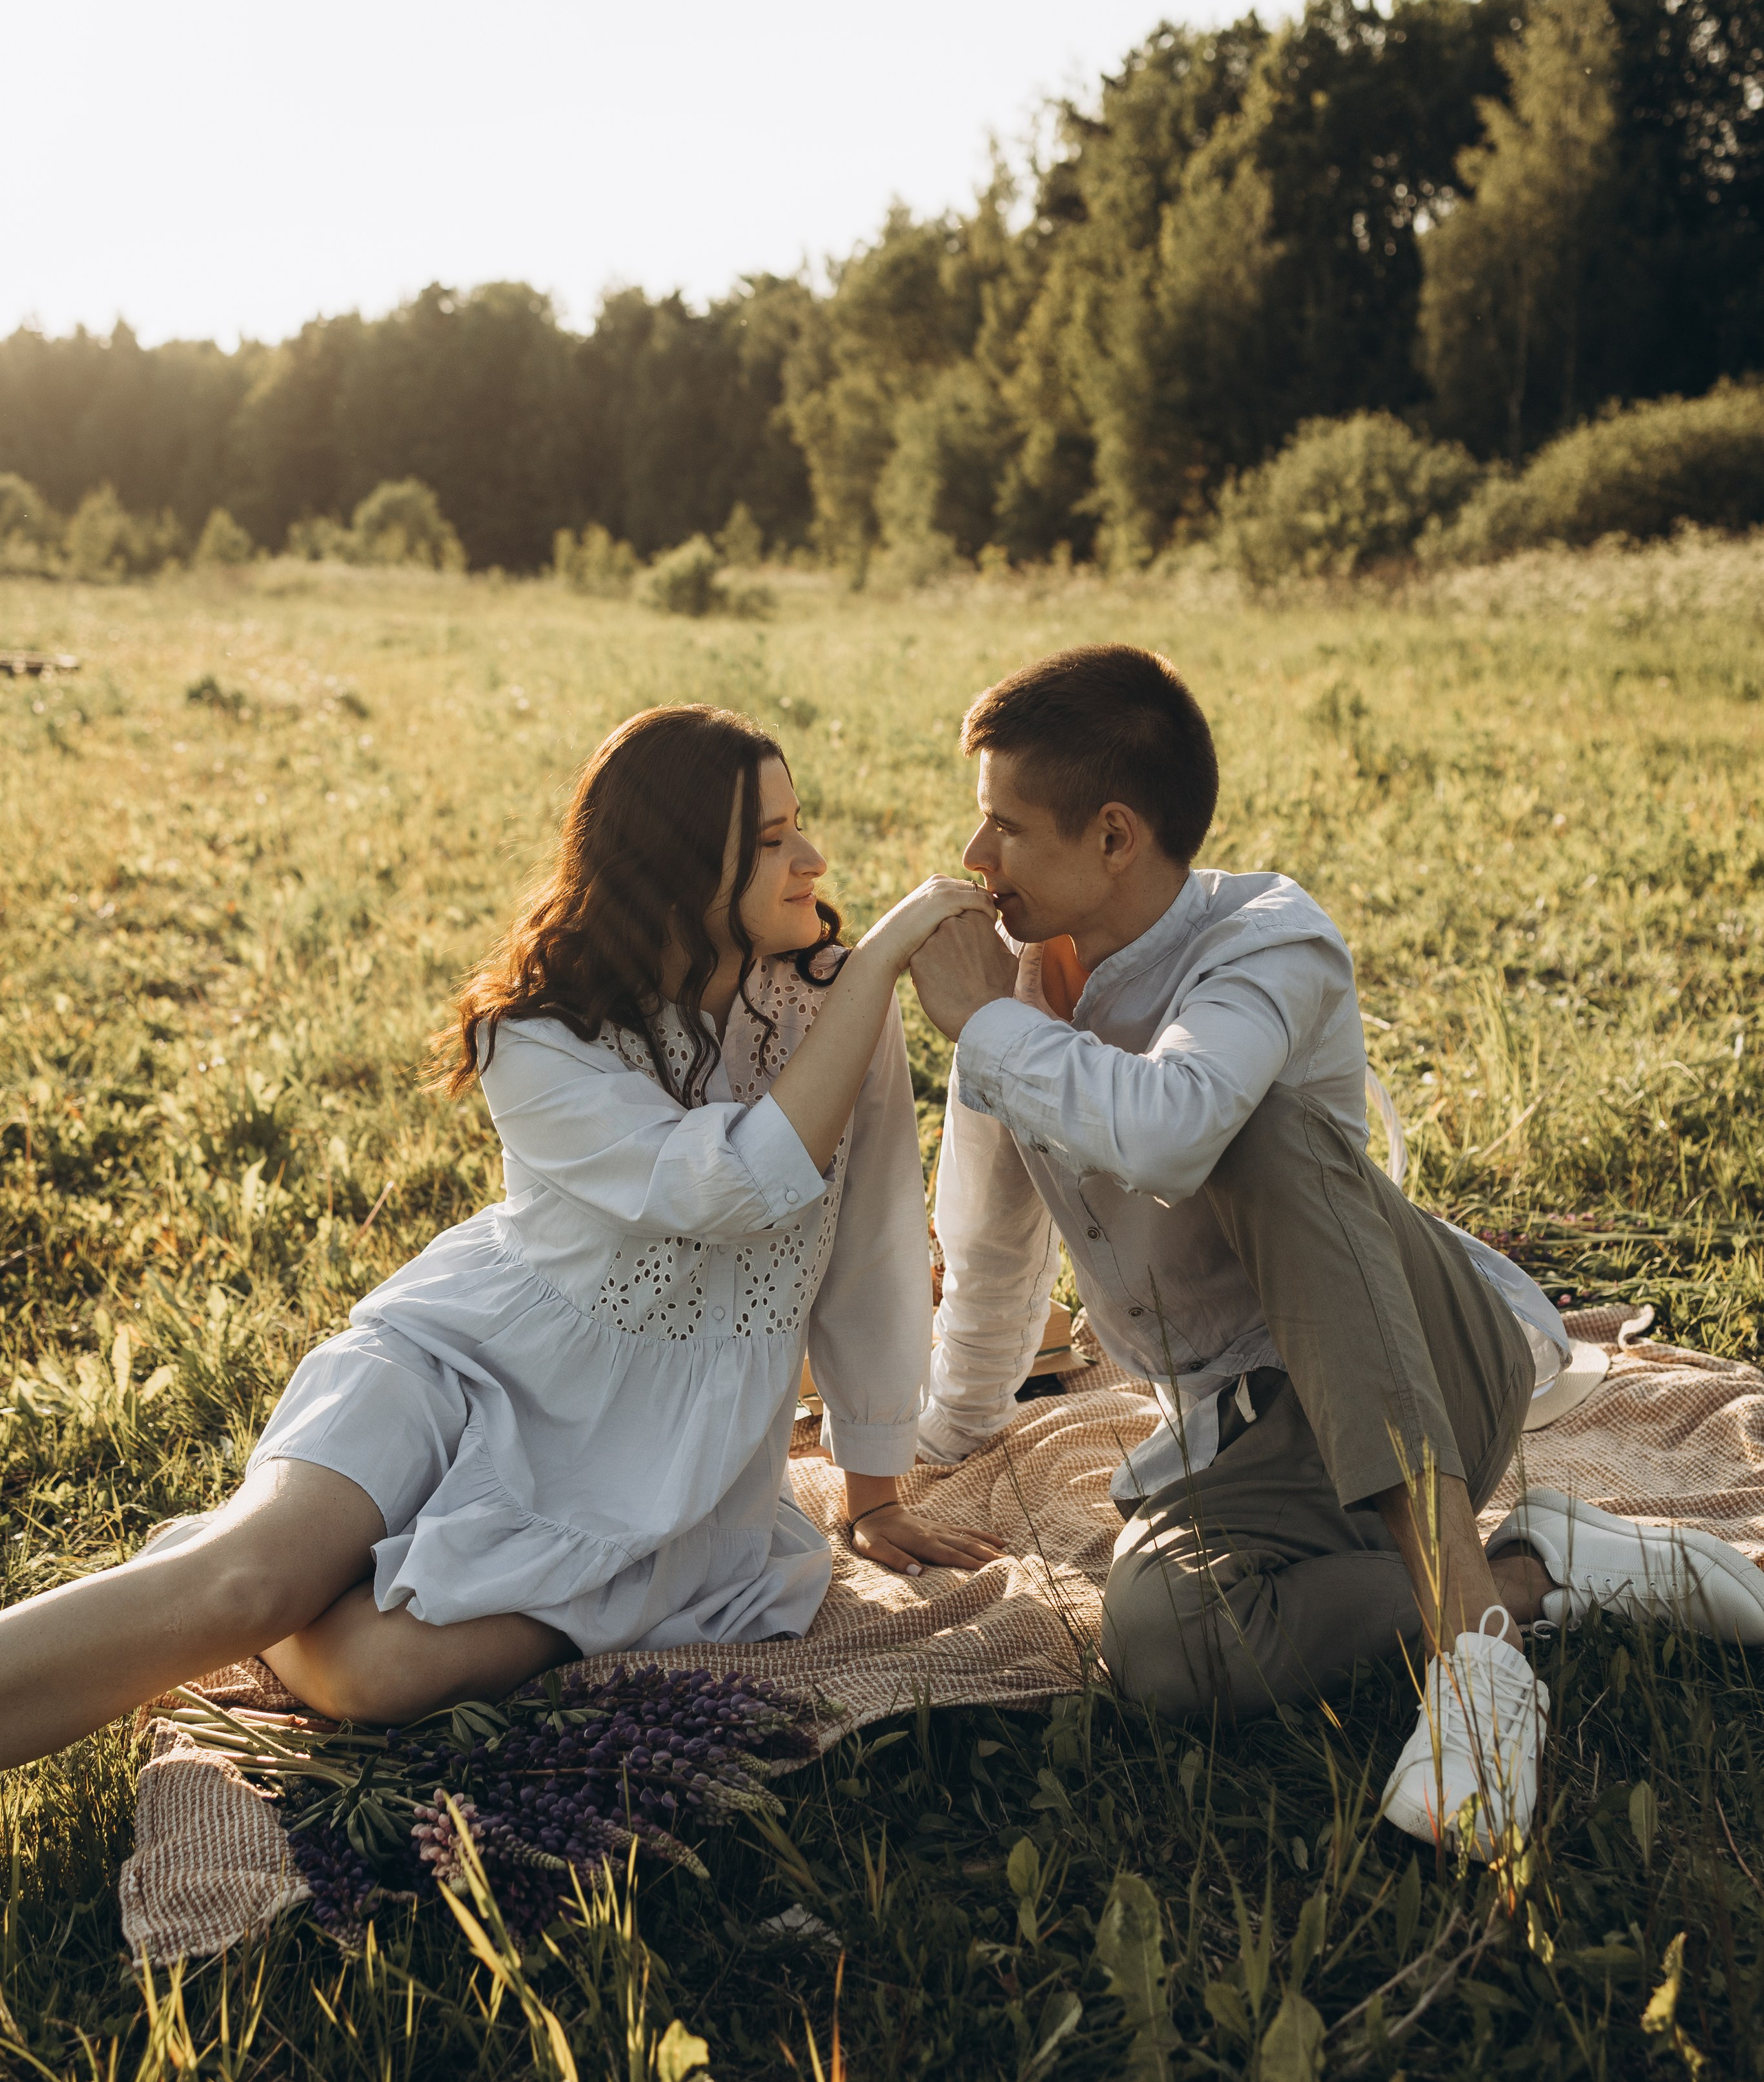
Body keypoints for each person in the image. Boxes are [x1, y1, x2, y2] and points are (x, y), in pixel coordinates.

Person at [0, 703, 1002, 1773]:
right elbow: (727, 1188)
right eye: (768, 842)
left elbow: (873, 1249)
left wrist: (876, 1491)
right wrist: (887, 953)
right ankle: (265, 1570)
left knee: (375, 1677)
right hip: (465, 1365)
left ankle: (306, 1566)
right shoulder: (537, 1035)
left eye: (800, 824)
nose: (811, 859)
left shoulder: (827, 1008)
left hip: (668, 1465)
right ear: (672, 871)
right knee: (249, 1586)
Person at [908, 644, 1764, 1857]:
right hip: (1249, 1436)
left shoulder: (1267, 936)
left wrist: (987, 1026)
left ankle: (1474, 1656)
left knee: (1252, 1128)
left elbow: (1176, 1127)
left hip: (1421, 1361)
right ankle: (1532, 1569)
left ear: (1113, 836)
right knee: (1159, 1649)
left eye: (1003, 827)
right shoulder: (1014, 999)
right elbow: (991, 1257)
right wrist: (941, 1445)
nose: (974, 859)